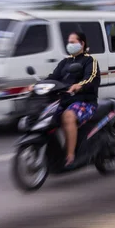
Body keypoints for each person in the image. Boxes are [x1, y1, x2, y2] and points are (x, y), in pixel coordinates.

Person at [46, 31, 100, 166]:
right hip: (65, 101)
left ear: (82, 44)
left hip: (85, 102)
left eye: (72, 42)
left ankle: (70, 155)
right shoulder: (65, 62)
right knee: (45, 116)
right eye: (68, 42)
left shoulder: (90, 60)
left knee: (68, 116)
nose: (69, 45)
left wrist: (79, 86)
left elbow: (91, 78)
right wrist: (37, 86)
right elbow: (53, 77)